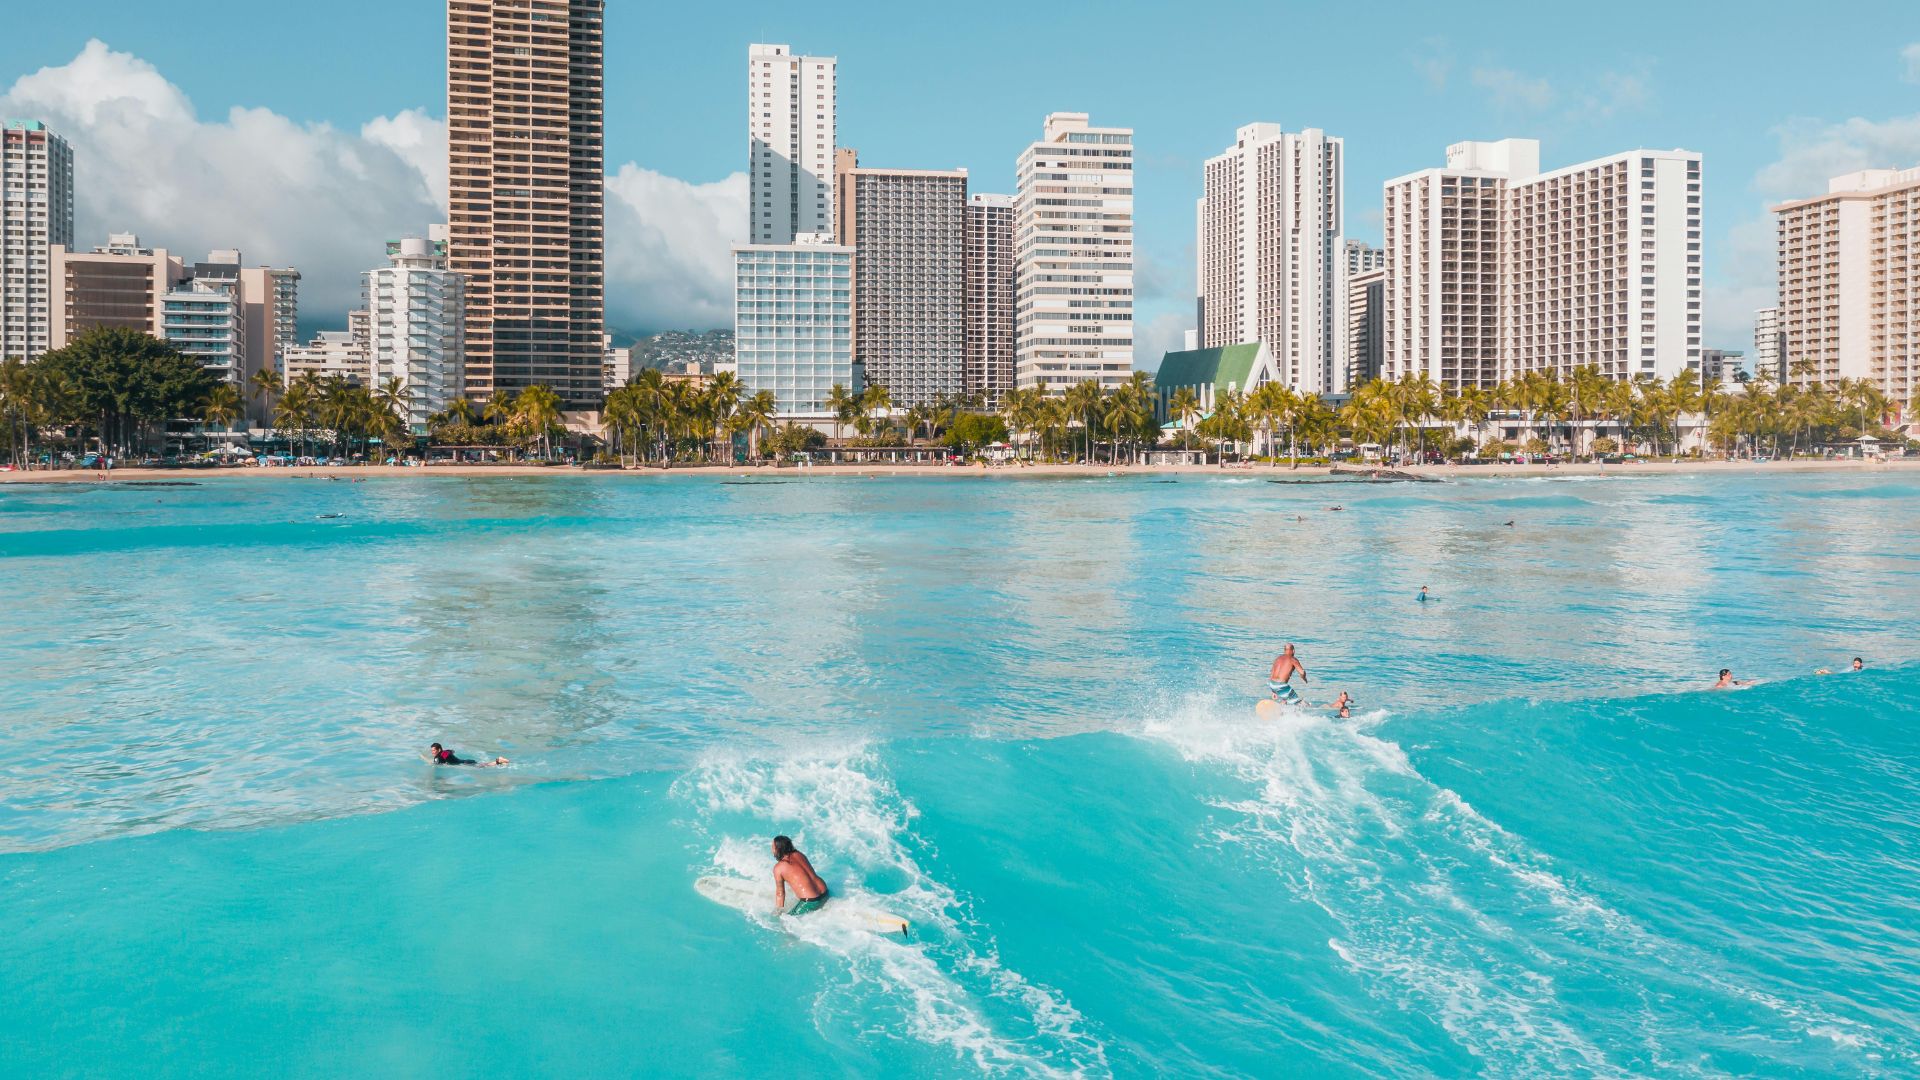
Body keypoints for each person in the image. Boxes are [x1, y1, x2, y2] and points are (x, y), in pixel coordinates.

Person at [773, 835, 829, 915]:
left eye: (772, 847)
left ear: (777, 849)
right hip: (825, 892)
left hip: (811, 901)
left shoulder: (778, 868)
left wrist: (778, 913)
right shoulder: (799, 854)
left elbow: (780, 893)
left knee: (787, 921)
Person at [428, 742, 508, 767]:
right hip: (466, 761)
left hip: (465, 764)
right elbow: (453, 751)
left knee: (485, 765)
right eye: (432, 750)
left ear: (439, 750)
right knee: (484, 765)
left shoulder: (439, 756)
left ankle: (499, 761)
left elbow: (436, 765)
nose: (432, 752)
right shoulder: (446, 751)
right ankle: (499, 761)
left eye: (434, 750)